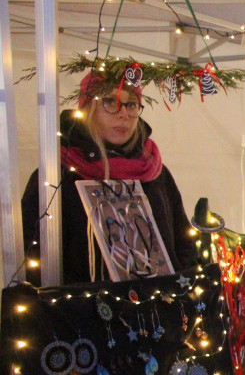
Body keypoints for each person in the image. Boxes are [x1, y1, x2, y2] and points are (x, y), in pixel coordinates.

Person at [21, 71, 195, 285]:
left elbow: (183, 241)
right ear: (88, 108)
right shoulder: (58, 175)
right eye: (110, 102)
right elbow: (31, 252)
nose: (123, 114)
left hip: (156, 307)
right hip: (86, 310)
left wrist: (180, 285)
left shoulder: (154, 171)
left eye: (131, 104)